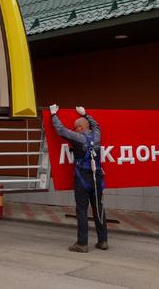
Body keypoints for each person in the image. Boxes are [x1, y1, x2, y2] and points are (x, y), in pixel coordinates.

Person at [50, 104, 108, 252]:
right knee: (99, 209)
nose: (74, 130)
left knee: (82, 211)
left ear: (81, 128)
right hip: (97, 179)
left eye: (75, 127)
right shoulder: (97, 135)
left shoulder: (78, 137)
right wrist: (86, 114)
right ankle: (103, 241)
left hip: (82, 180)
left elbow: (61, 130)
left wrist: (53, 115)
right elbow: (96, 125)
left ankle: (82, 244)